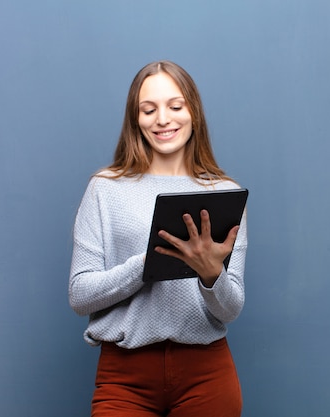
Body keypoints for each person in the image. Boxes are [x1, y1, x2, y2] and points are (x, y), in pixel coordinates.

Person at [69, 60, 247, 417]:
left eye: (175, 106)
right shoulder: (105, 189)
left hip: (207, 374)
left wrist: (211, 275)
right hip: (124, 376)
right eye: (148, 109)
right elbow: (80, 295)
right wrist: (149, 262)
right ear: (136, 119)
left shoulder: (225, 193)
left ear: (193, 111)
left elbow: (231, 308)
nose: (163, 119)